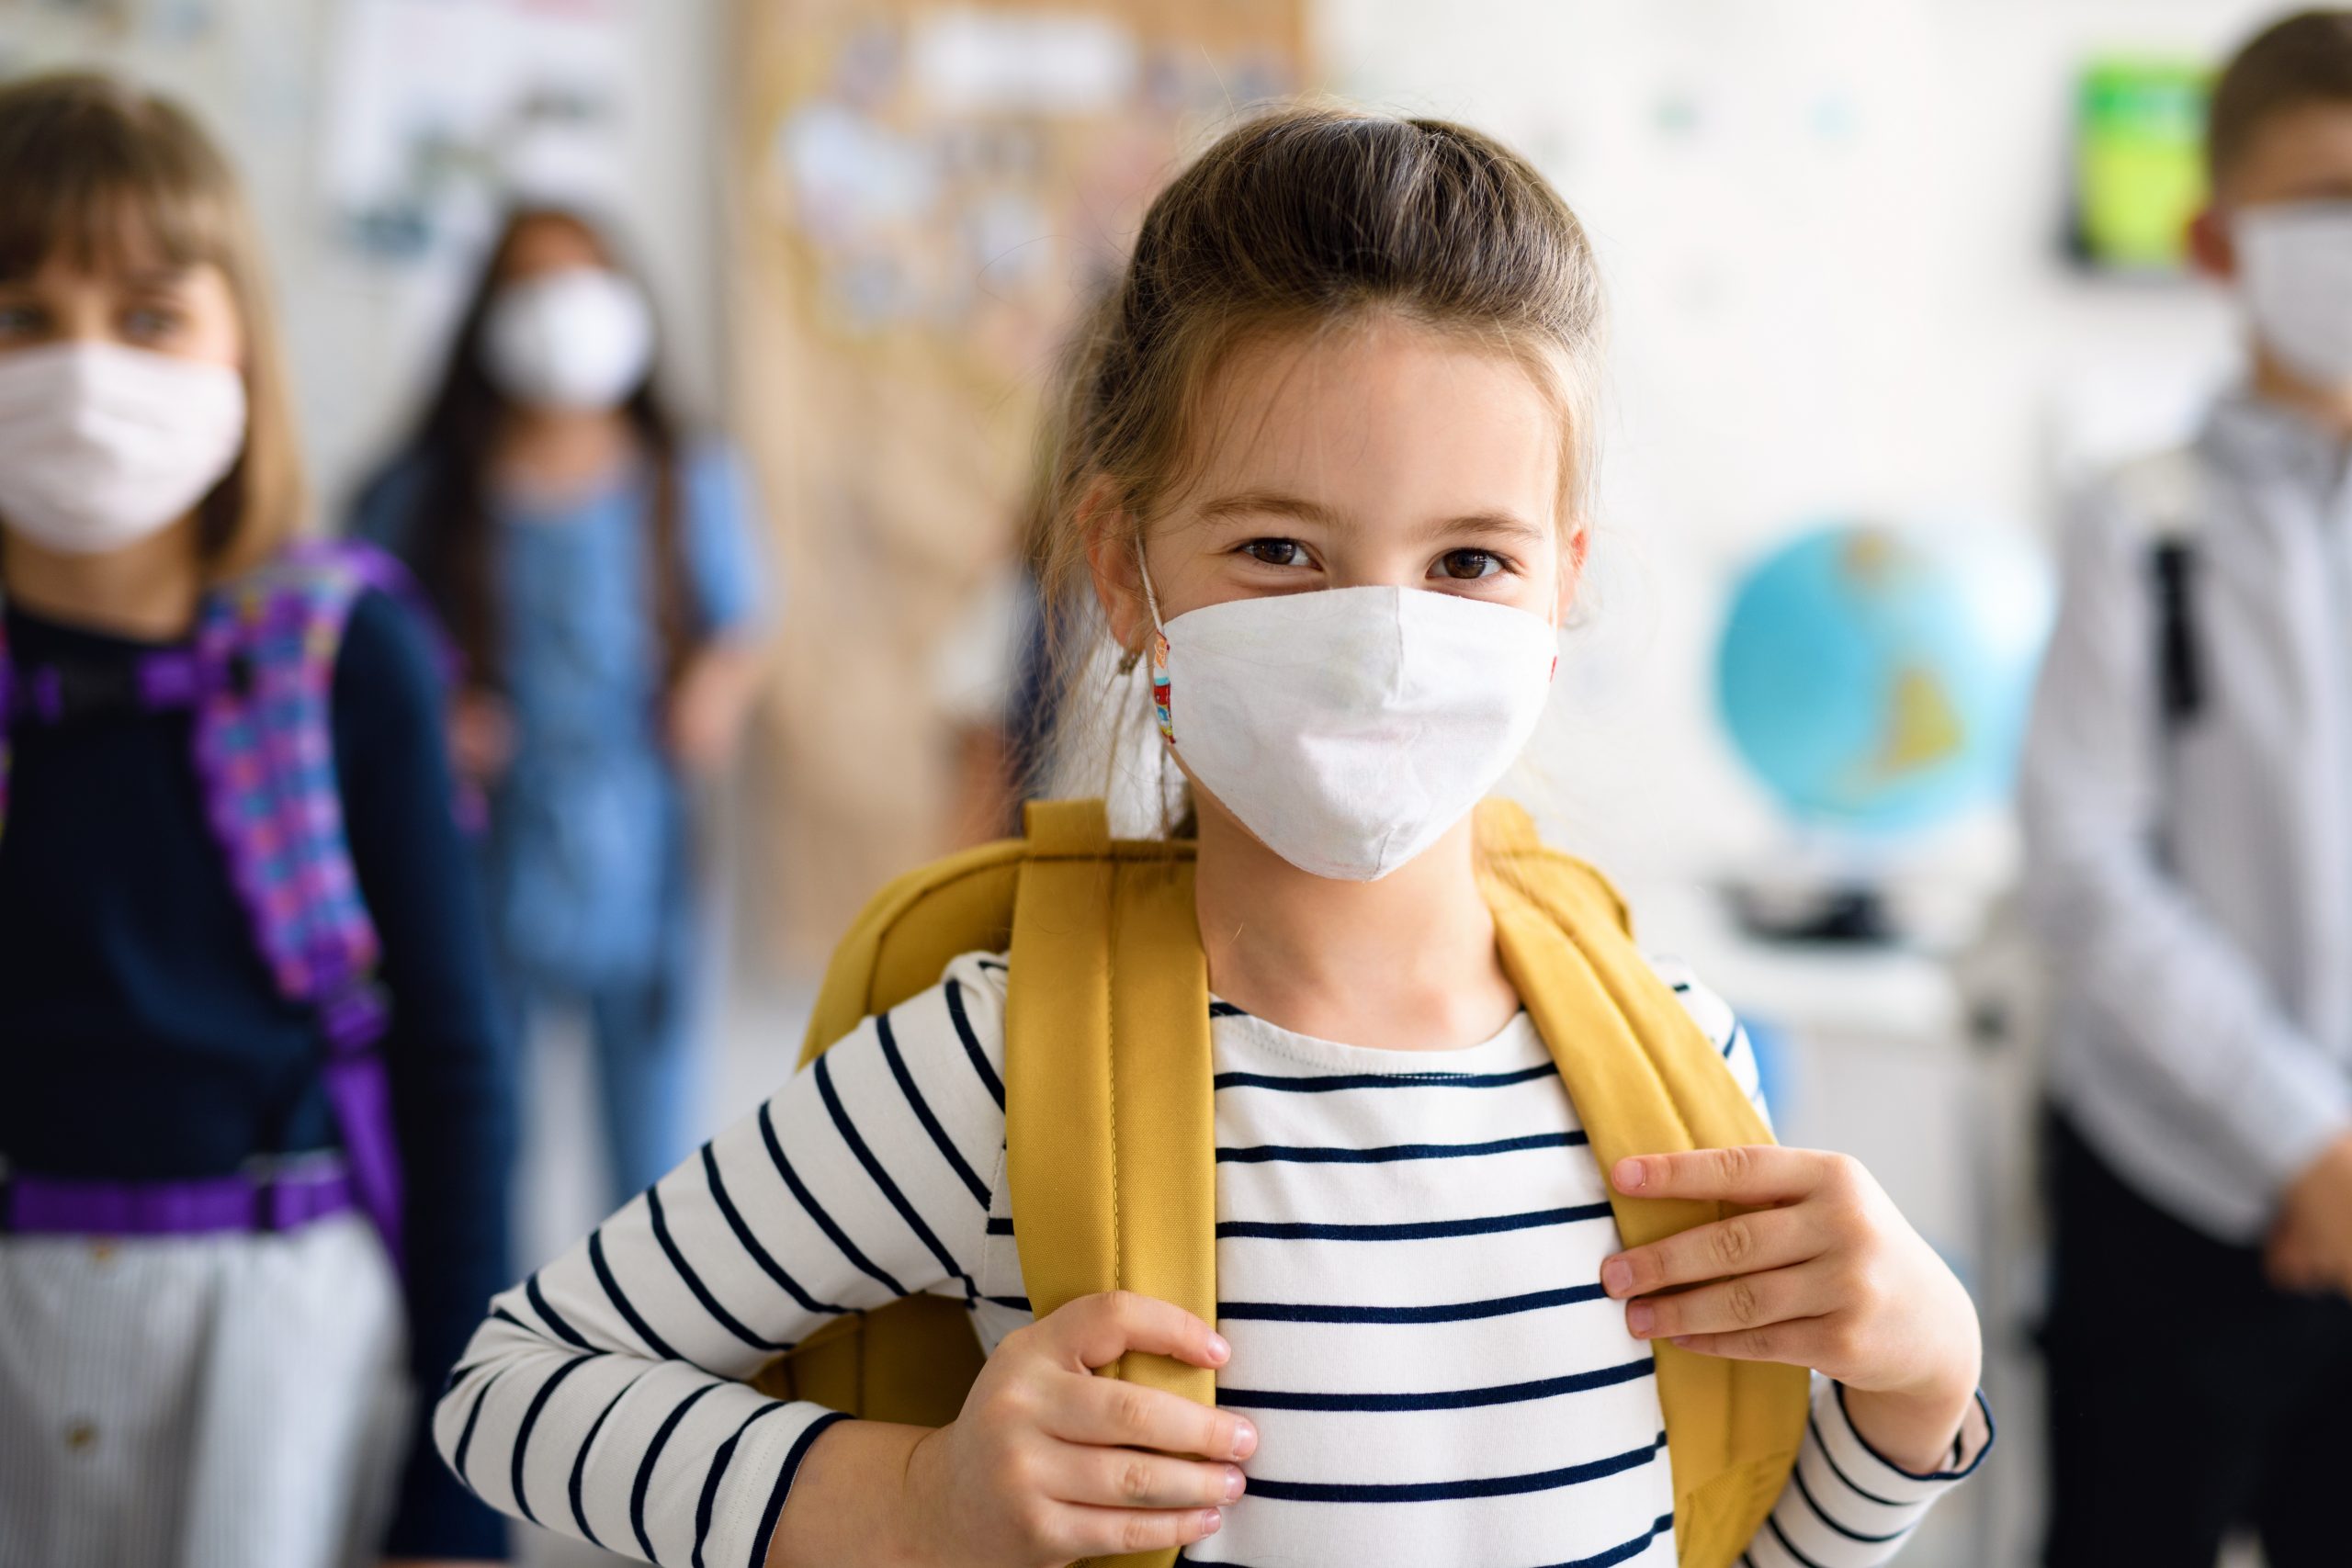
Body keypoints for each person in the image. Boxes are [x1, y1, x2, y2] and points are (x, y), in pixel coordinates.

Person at [435, 106, 1991, 1568]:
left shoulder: (1681, 1073)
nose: (1383, 636)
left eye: (1467, 558)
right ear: (1122, 568)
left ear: (1560, 585)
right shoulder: (991, 1067)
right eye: (1278, 548)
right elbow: (509, 1388)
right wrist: (920, 1496)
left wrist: (1926, 1379)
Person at [0, 74, 512, 1566]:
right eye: (20, 315)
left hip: (279, 1334)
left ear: (240, 351)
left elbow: (453, 1072)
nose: (82, 369)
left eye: (147, 315)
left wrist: (457, 1471)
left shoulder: (344, 653)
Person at [2022, 13, 2352, 1566]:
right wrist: (2308, 1143)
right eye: (2330, 201)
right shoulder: (2137, 519)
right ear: (2220, 241)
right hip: (2178, 1192)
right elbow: (2086, 865)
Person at [354, 209, 770, 1207]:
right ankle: (477, 1338)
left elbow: (742, 623)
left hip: (647, 838)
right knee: (477, 1116)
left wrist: (713, 692)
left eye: (584, 281)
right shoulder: (427, 488)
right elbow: (357, 634)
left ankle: (641, 1342)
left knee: (652, 1131)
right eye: (531, 287)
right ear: (487, 318)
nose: (562, 313)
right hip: (479, 842)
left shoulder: (685, 475)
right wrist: (431, 715)